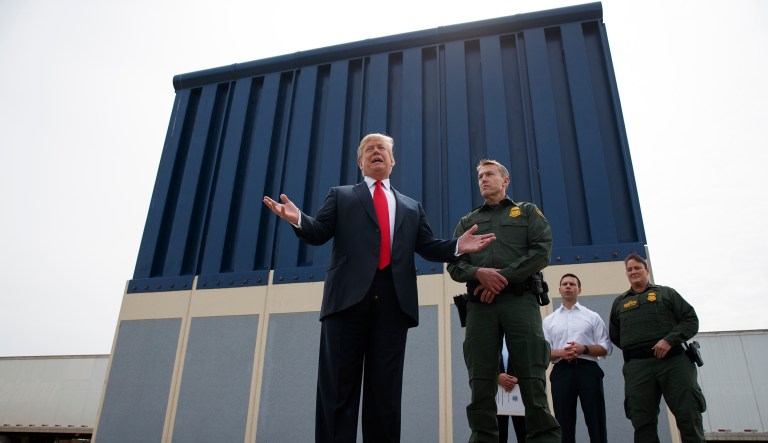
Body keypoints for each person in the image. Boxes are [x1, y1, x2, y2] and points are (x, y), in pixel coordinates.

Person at [263, 133, 495, 442]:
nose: (376, 152)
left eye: (382, 149)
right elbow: (318, 232)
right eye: (369, 149)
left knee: (385, 395)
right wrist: (299, 220)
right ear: (360, 162)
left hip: (393, 306)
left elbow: (427, 246)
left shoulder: (412, 207)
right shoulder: (341, 195)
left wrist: (457, 246)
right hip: (346, 303)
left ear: (392, 160)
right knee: (337, 392)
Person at [448, 159, 560, 443]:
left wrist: (502, 278)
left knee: (533, 376)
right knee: (482, 379)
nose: (483, 180)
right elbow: (455, 264)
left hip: (520, 301)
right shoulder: (467, 221)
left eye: (489, 175)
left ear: (505, 180)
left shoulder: (526, 212)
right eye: (480, 177)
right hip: (480, 306)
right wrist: (479, 273)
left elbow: (541, 252)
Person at [609, 252, 706, 443]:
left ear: (647, 270)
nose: (633, 272)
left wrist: (669, 340)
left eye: (637, 268)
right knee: (642, 420)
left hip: (673, 363)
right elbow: (615, 335)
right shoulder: (620, 302)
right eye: (629, 269)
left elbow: (690, 320)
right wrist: (639, 349)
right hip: (638, 368)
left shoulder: (666, 293)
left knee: (688, 414)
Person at [542, 273, 612, 443]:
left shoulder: (592, 316)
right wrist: (561, 353)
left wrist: (584, 348)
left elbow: (606, 347)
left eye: (572, 284)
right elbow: (543, 351)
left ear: (579, 290)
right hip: (561, 371)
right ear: (559, 289)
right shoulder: (549, 320)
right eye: (564, 284)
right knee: (563, 423)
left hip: (588, 369)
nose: (568, 286)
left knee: (596, 420)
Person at [498, 339, 526, 442]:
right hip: (494, 393)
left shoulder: (522, 331)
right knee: (497, 435)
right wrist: (496, 376)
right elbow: (480, 360)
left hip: (521, 390)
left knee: (525, 433)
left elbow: (534, 358)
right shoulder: (490, 331)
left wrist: (519, 378)